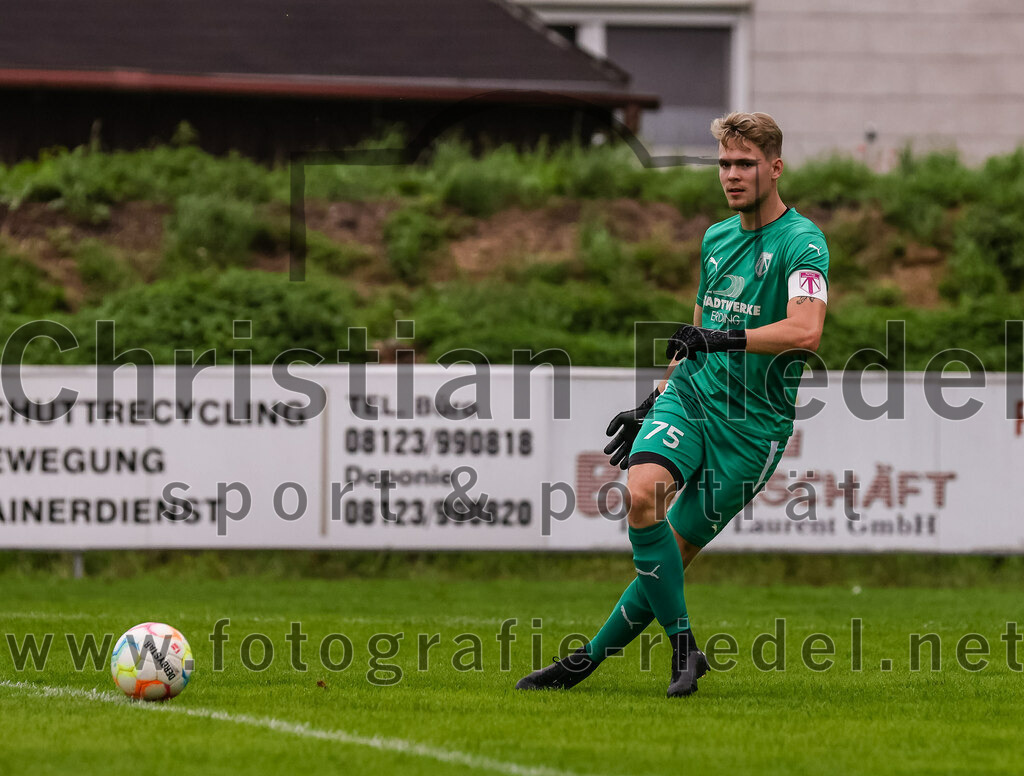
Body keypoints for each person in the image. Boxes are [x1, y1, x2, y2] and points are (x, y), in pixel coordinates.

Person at [516, 112, 830, 698]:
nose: (732, 175)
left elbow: (805, 332)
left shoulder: (803, 242)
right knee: (641, 495)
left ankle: (585, 661)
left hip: (751, 428)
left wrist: (721, 339)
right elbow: (699, 328)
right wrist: (656, 397)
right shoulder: (715, 238)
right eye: (724, 164)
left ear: (775, 168)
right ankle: (683, 645)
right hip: (691, 398)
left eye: (745, 164)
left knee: (671, 557)